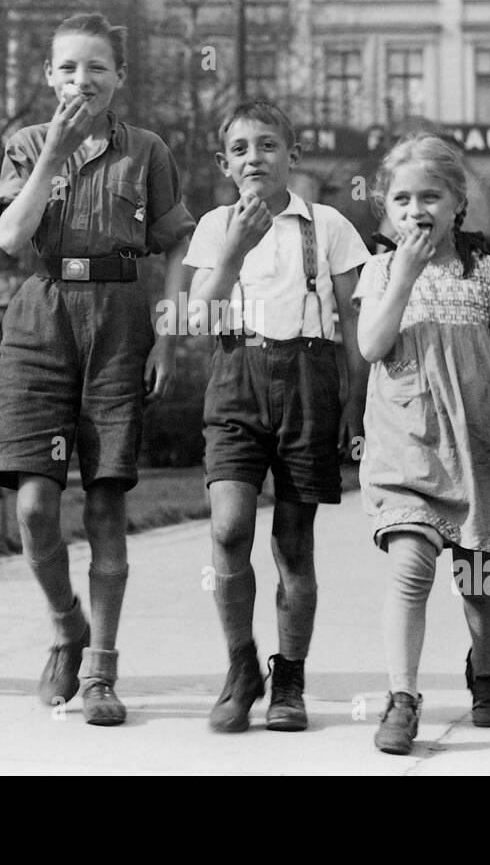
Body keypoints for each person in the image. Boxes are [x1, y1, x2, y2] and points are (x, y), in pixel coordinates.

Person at [0, 12, 195, 726]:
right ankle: (65, 626)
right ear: (48, 76)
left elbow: (178, 245)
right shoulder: (24, 145)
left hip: (122, 321)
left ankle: (103, 668)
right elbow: (14, 237)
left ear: (120, 78)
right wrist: (57, 154)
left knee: (106, 505)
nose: (83, 80)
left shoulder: (149, 150)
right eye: (69, 68)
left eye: (97, 67)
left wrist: (169, 337)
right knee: (35, 508)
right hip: (43, 317)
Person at [184, 99, 369, 733]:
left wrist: (355, 403)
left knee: (294, 543)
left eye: (267, 145)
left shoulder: (330, 225)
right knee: (230, 528)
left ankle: (288, 677)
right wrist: (234, 248)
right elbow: (194, 320)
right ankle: (241, 667)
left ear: (293, 156)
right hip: (237, 377)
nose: (254, 157)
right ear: (224, 163)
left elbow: (356, 327)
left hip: (310, 383)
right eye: (239, 148)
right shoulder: (214, 226)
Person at [355, 134, 490, 755]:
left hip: (476, 446)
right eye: (401, 198)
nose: (415, 209)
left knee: (478, 580)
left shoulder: (487, 275)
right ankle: (402, 697)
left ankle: (484, 665)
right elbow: (372, 346)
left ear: (457, 202)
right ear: (386, 207)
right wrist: (402, 277)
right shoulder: (380, 270)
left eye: (429, 195)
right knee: (411, 568)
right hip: (406, 444)